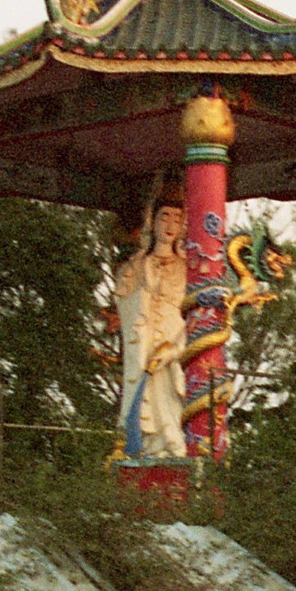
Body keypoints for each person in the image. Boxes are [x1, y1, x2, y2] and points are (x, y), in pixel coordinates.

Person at [113, 186, 191, 461]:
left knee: (172, 406)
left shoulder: (187, 268)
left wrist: (175, 347)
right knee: (146, 404)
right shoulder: (135, 267)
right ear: (152, 221)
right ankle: (149, 449)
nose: (170, 225)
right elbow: (127, 307)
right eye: (164, 217)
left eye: (177, 219)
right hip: (144, 346)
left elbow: (193, 317)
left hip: (174, 345)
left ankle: (175, 451)